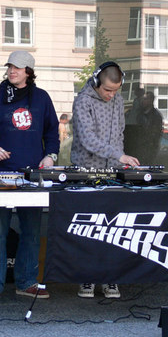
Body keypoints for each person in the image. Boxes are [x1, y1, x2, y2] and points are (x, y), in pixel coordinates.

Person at [0, 51, 59, 303]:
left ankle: (27, 281)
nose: (12, 71)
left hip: (31, 176)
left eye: (17, 68)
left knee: (31, 230)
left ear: (29, 72)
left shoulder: (41, 98)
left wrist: (50, 156)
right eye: (10, 66)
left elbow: (53, 132)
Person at [70, 61, 140, 299]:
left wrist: (120, 162)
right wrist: (118, 155)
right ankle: (87, 278)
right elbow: (87, 139)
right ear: (96, 81)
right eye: (107, 90)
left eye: (115, 90)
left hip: (113, 172)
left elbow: (119, 132)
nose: (111, 95)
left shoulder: (117, 100)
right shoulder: (83, 101)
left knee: (114, 227)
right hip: (87, 172)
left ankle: (111, 278)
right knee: (90, 228)